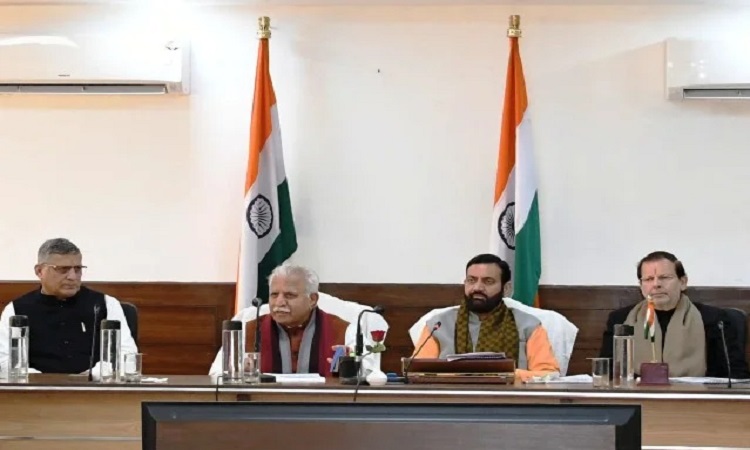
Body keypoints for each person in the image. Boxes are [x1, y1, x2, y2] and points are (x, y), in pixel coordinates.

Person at [209, 263, 387, 377]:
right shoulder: (249, 329)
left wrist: (350, 365)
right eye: (274, 295)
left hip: (325, 413)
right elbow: (216, 374)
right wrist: (239, 371)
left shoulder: (343, 329)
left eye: (289, 295)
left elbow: (370, 374)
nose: (279, 302)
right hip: (262, 412)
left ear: (312, 300)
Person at [600, 251, 749, 378]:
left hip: (696, 399)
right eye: (649, 279)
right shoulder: (621, 319)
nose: (656, 284)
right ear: (641, 286)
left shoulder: (714, 319)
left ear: (683, 282)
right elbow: (607, 372)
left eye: (664, 277)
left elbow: (736, 375)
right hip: (638, 398)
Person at [412, 253, 559, 381]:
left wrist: (504, 375)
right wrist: (465, 375)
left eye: (488, 281)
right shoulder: (438, 324)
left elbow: (547, 374)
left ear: (506, 288)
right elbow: (418, 372)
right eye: (471, 280)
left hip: (511, 400)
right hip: (451, 400)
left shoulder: (528, 325)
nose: (477, 287)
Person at [0, 238, 138, 374]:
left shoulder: (105, 304)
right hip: (37, 386)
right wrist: (40, 380)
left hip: (94, 385)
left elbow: (127, 355)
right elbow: (5, 360)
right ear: (39, 271)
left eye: (77, 269)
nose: (72, 276)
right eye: (63, 269)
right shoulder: (17, 310)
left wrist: (93, 375)